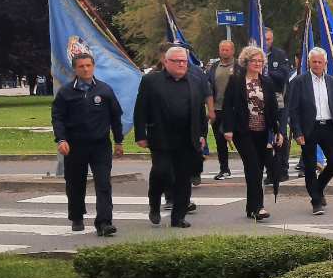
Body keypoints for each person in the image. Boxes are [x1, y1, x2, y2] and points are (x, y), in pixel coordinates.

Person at [50, 51, 125, 236]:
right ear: (75, 69)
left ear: (93, 67)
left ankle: (104, 222)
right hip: (75, 146)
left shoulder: (104, 90)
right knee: (75, 183)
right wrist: (61, 139)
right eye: (81, 66)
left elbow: (116, 117)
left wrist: (118, 141)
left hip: (100, 146)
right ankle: (76, 216)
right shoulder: (66, 92)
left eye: (88, 65)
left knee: (103, 183)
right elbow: (57, 118)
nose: (85, 69)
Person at [134, 45, 205, 227]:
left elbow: (199, 111)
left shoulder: (195, 81)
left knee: (183, 178)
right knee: (162, 171)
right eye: (177, 61)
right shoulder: (151, 81)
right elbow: (140, 108)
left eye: (184, 61)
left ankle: (178, 217)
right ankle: (154, 203)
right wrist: (140, 134)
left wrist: (202, 134)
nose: (181, 64)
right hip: (161, 137)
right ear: (166, 62)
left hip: (187, 138)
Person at [222, 44, 284, 220]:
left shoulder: (267, 82)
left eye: (260, 61)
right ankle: (259, 207)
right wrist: (228, 129)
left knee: (258, 168)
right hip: (244, 131)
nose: (258, 64)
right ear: (245, 62)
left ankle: (251, 207)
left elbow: (273, 109)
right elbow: (227, 105)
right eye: (254, 61)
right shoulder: (236, 80)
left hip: (263, 131)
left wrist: (277, 130)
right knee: (253, 168)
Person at [288, 46, 333, 215]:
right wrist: (297, 132)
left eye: (320, 62)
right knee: (310, 165)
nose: (317, 64)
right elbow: (293, 110)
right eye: (314, 61)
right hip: (309, 128)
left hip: (328, 126)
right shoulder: (299, 81)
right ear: (309, 63)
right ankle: (316, 201)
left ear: (325, 63)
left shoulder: (331, 81)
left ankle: (318, 188)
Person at [264, 28, 295, 189]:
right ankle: (270, 172)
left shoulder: (279, 54)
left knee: (280, 133)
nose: (266, 42)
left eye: (269, 39)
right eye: (264, 39)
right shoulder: (253, 54)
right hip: (259, 100)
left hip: (278, 98)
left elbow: (283, 75)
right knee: (265, 135)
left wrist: (265, 73)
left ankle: (283, 169)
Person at [204, 39, 237, 178]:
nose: (224, 52)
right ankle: (224, 168)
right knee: (220, 140)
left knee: (241, 138)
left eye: (227, 49)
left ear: (233, 51)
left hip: (235, 109)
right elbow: (208, 87)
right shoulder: (214, 67)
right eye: (222, 49)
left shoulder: (239, 66)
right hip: (217, 108)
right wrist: (210, 109)